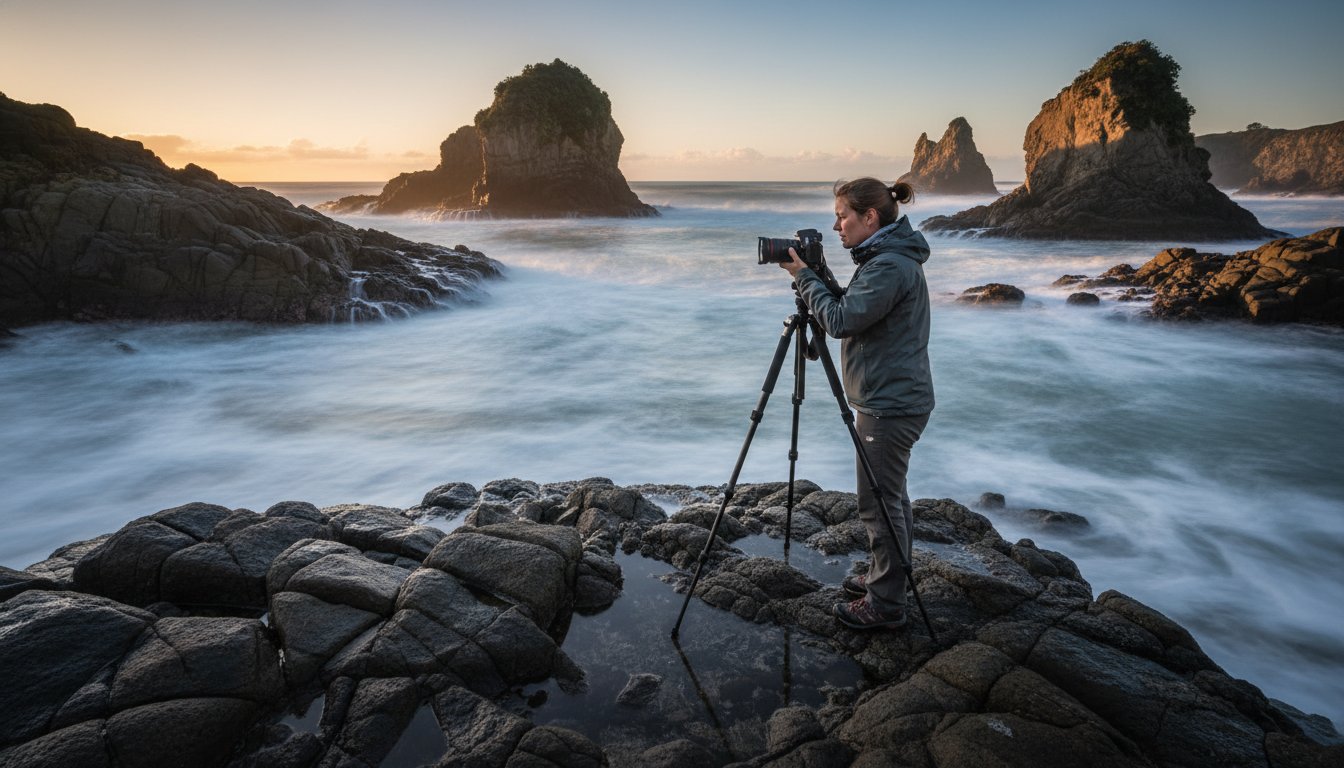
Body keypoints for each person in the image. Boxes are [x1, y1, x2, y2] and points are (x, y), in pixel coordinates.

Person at [780, 177, 934, 630]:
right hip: (896, 395)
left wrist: (804, 277)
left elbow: (841, 320)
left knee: (878, 504)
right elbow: (854, 308)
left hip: (889, 404)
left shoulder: (888, 266)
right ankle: (889, 576)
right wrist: (819, 275)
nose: (836, 226)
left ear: (870, 217)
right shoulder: (886, 258)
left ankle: (885, 605)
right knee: (892, 498)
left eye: (842, 216)